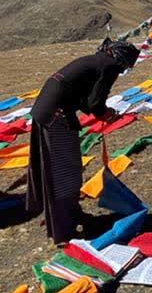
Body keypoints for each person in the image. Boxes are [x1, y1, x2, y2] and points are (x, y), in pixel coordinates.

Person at [26, 39, 140, 243]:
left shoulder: (97, 61)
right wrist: (107, 115)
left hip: (46, 111)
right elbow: (95, 102)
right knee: (65, 171)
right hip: (56, 117)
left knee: (58, 168)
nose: (123, 71)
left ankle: (68, 214)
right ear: (122, 60)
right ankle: (64, 227)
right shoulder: (109, 66)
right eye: (125, 67)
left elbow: (85, 99)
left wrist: (102, 111)